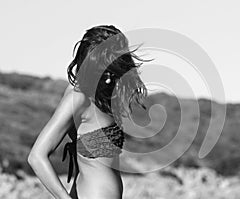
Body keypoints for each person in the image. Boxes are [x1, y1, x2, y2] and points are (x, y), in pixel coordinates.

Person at [27, 25, 149, 199]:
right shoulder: (78, 97)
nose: (109, 77)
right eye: (106, 71)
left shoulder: (99, 95)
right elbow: (36, 157)